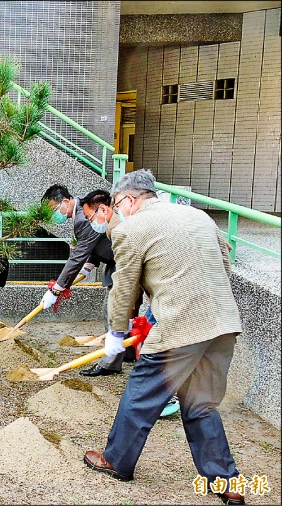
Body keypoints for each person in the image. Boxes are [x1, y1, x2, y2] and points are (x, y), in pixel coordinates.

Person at [83, 170, 245, 506]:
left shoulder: (131, 228)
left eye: (116, 204)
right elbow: (224, 258)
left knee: (141, 394)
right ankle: (227, 482)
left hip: (180, 327)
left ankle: (116, 461)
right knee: (201, 405)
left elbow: (124, 286)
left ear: (129, 199)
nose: (117, 210)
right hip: (222, 323)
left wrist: (116, 332)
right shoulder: (197, 215)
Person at [41, 186, 133, 376]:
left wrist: (56, 289)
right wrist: (88, 266)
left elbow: (78, 256)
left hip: (122, 263)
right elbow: (94, 244)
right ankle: (128, 351)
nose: (53, 215)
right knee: (122, 312)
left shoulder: (84, 217)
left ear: (65, 202)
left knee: (112, 311)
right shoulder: (84, 210)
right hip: (117, 262)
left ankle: (111, 363)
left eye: (53, 209)